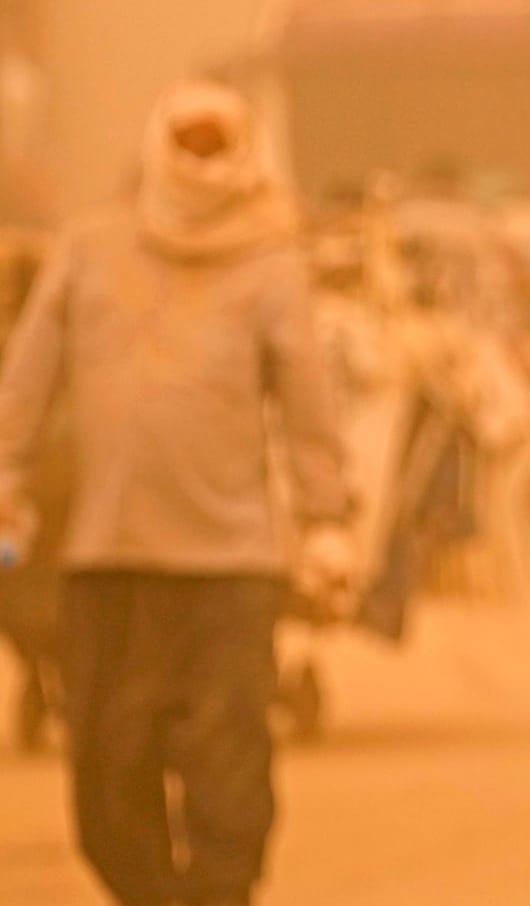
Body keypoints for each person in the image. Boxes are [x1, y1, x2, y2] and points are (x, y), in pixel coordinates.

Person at [0, 79, 355, 906]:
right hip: (106, 563)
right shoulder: (89, 250)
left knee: (230, 783)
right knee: (105, 783)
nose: (200, 161)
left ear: (242, 155)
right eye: (186, 142)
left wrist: (327, 519)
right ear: (160, 144)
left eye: (215, 145)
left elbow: (309, 404)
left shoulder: (271, 263)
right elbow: (25, 383)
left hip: (230, 570)